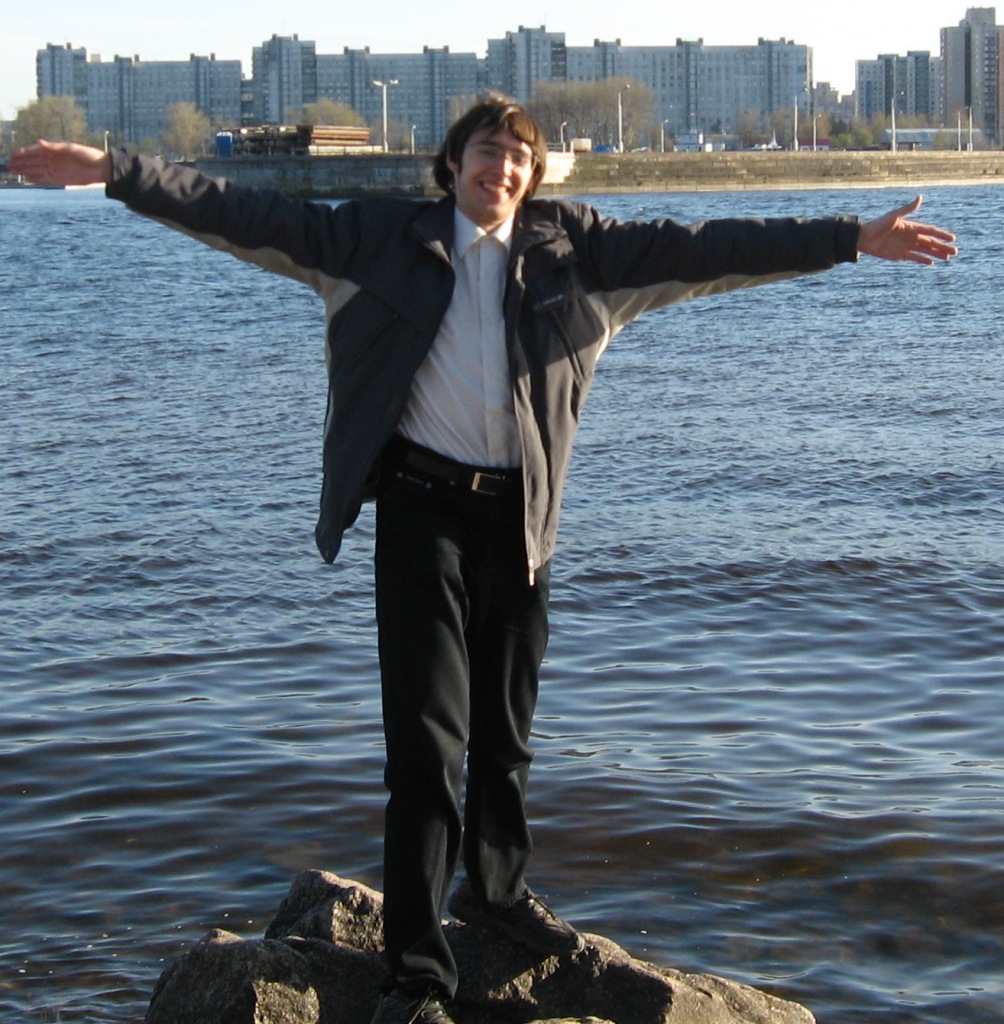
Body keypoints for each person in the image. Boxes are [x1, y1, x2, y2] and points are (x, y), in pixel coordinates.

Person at [10, 94, 957, 1024]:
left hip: (519, 524)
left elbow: (712, 246)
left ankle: (495, 895)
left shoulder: (578, 253)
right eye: (485, 150)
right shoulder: (379, 242)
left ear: (533, 174)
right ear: (453, 162)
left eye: (518, 155)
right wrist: (116, 172)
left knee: (505, 735)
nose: (500, 167)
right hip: (419, 513)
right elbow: (239, 211)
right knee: (426, 748)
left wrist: (849, 238)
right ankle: (416, 973)